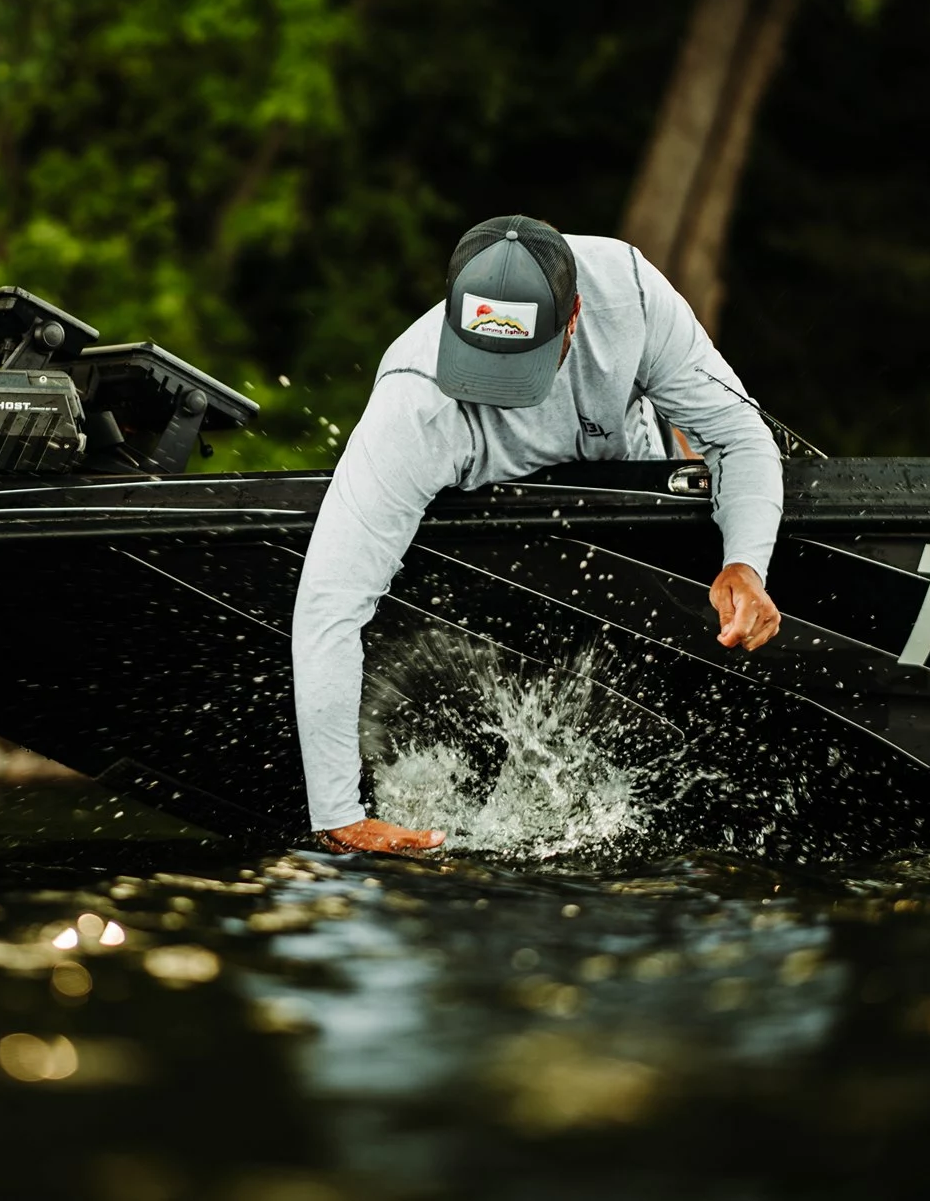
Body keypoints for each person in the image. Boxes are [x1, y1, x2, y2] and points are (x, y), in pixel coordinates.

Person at [290, 215, 786, 855]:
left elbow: (739, 437)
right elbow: (329, 604)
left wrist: (745, 562)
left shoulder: (629, 293)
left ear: (573, 319)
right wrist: (338, 814)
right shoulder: (412, 406)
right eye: (480, 363)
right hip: (490, 548)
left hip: (630, 510)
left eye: (516, 367)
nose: (497, 392)